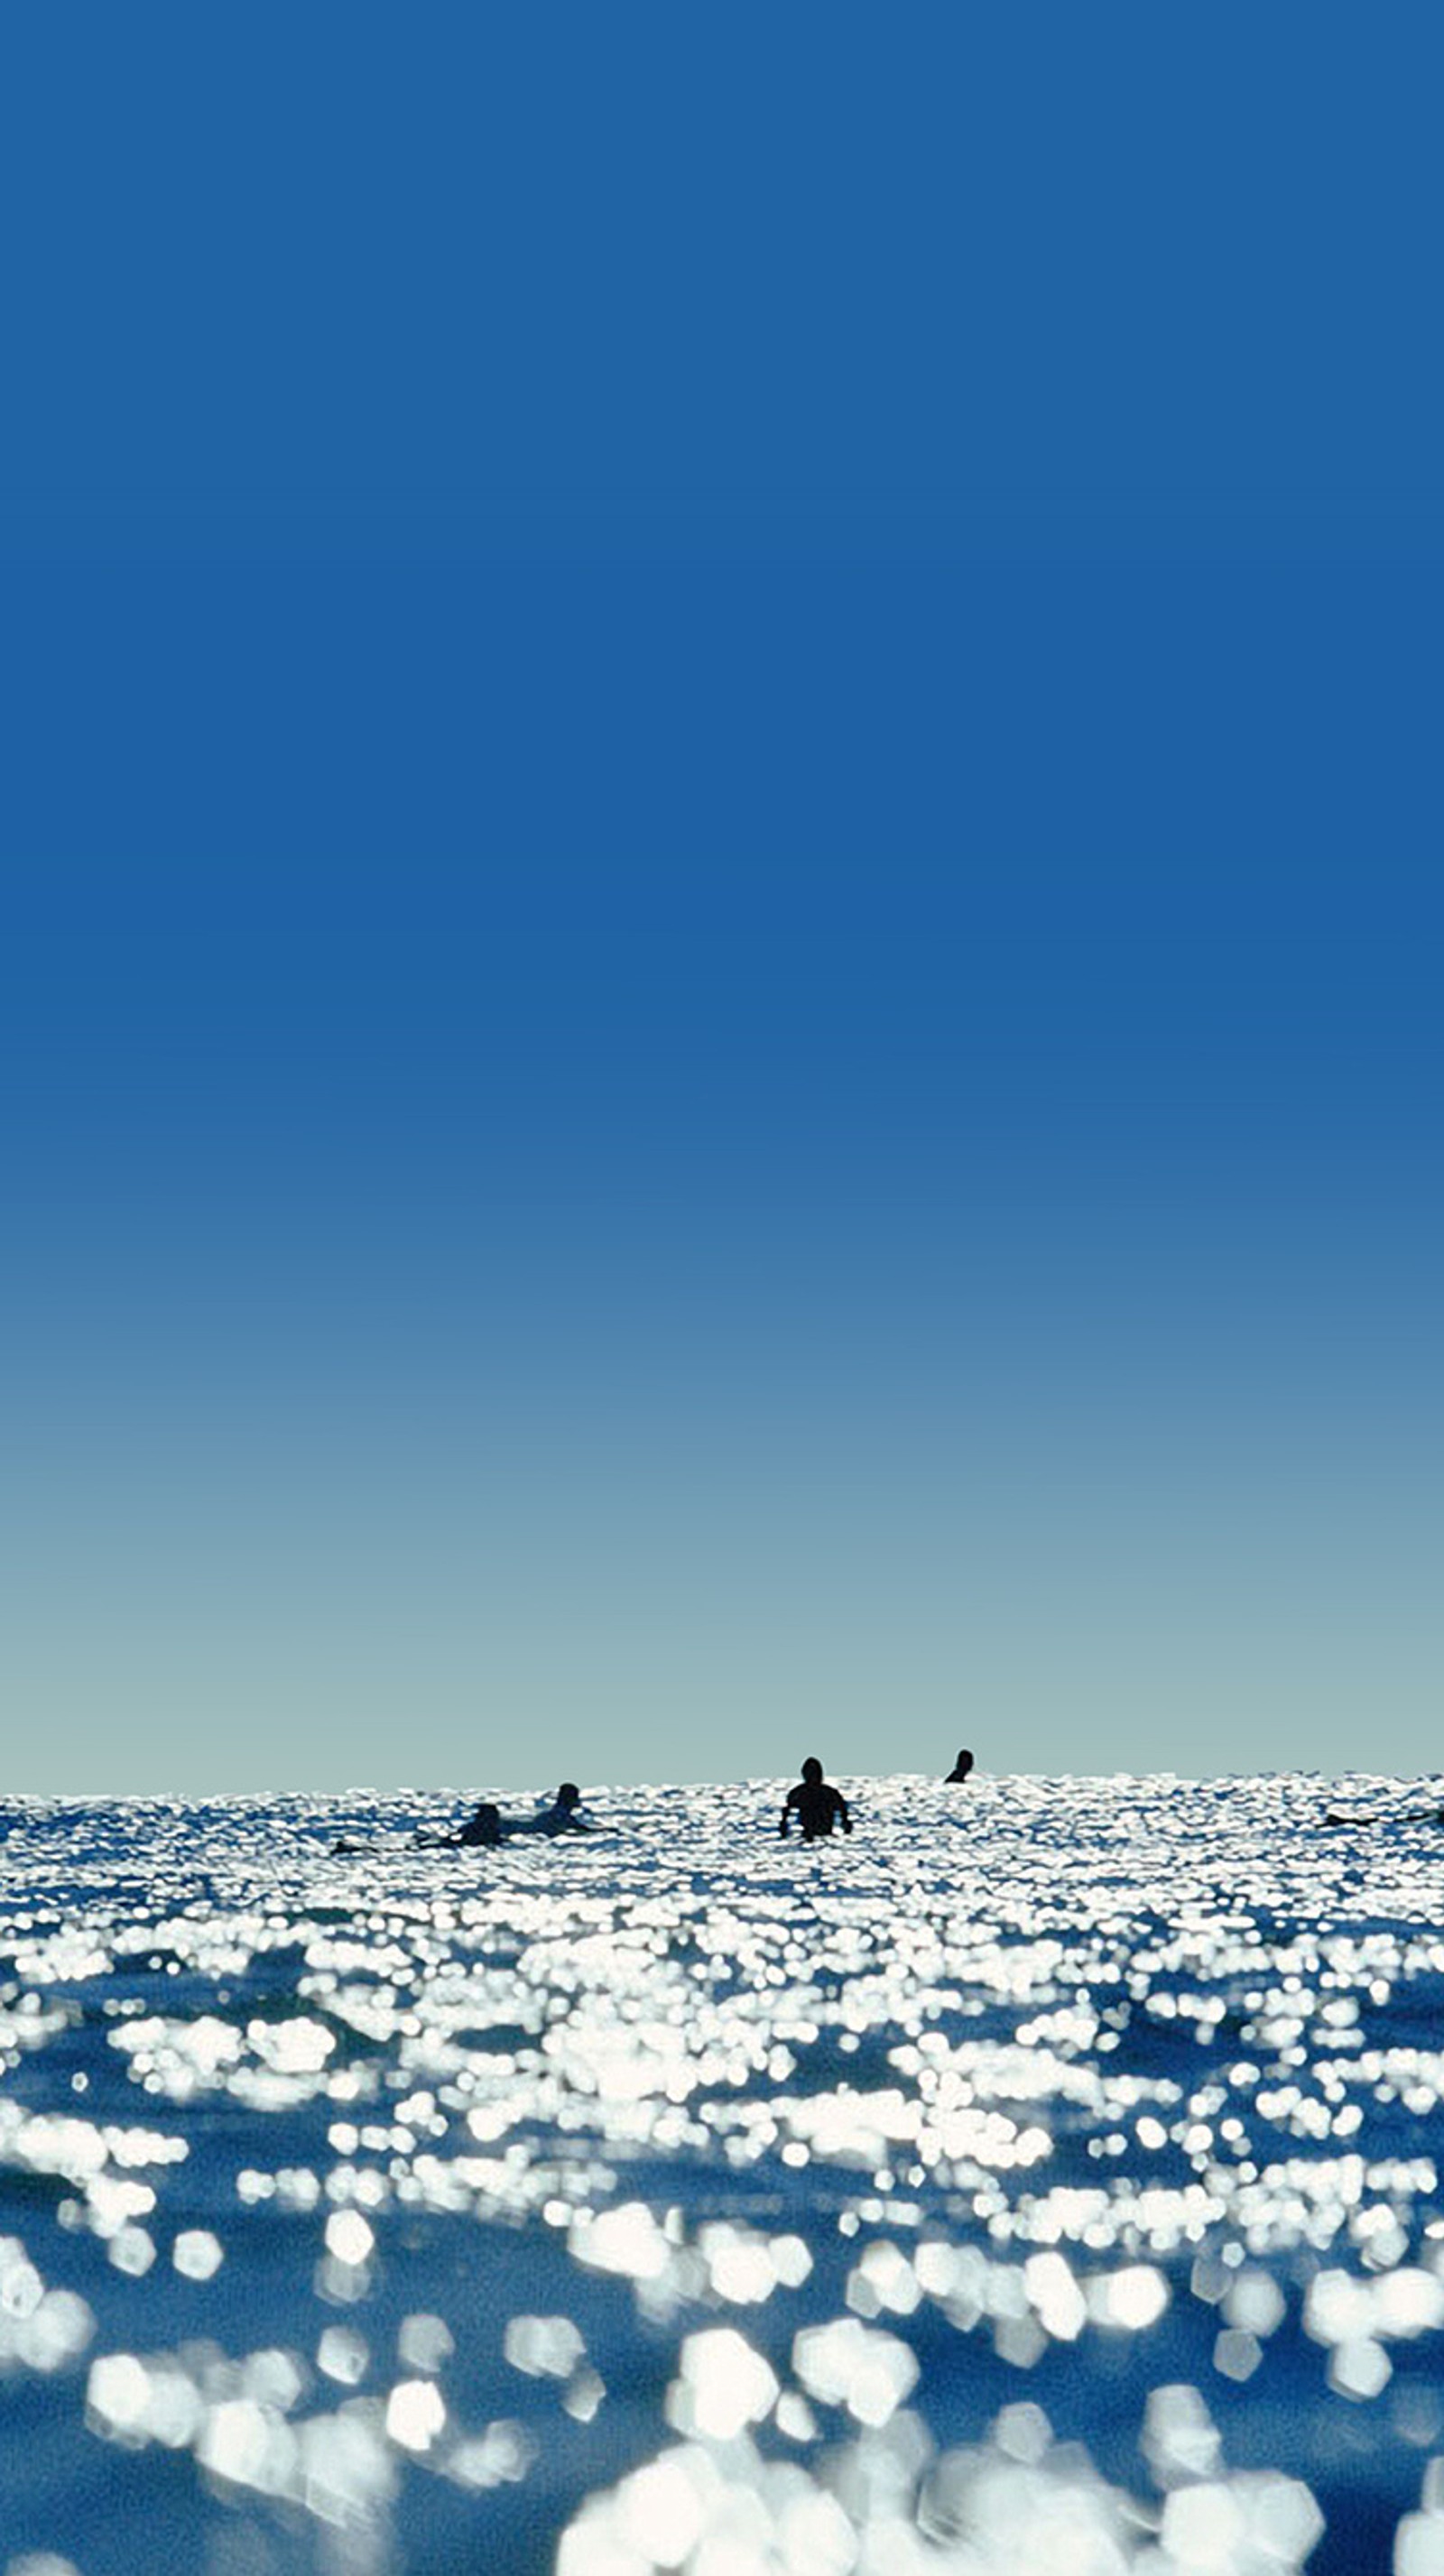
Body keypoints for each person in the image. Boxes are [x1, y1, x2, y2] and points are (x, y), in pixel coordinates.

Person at [780, 1757, 852, 1840]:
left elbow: (843, 1811)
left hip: (821, 1831)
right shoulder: (828, 1792)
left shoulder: (799, 1792)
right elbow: (843, 1811)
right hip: (812, 1832)